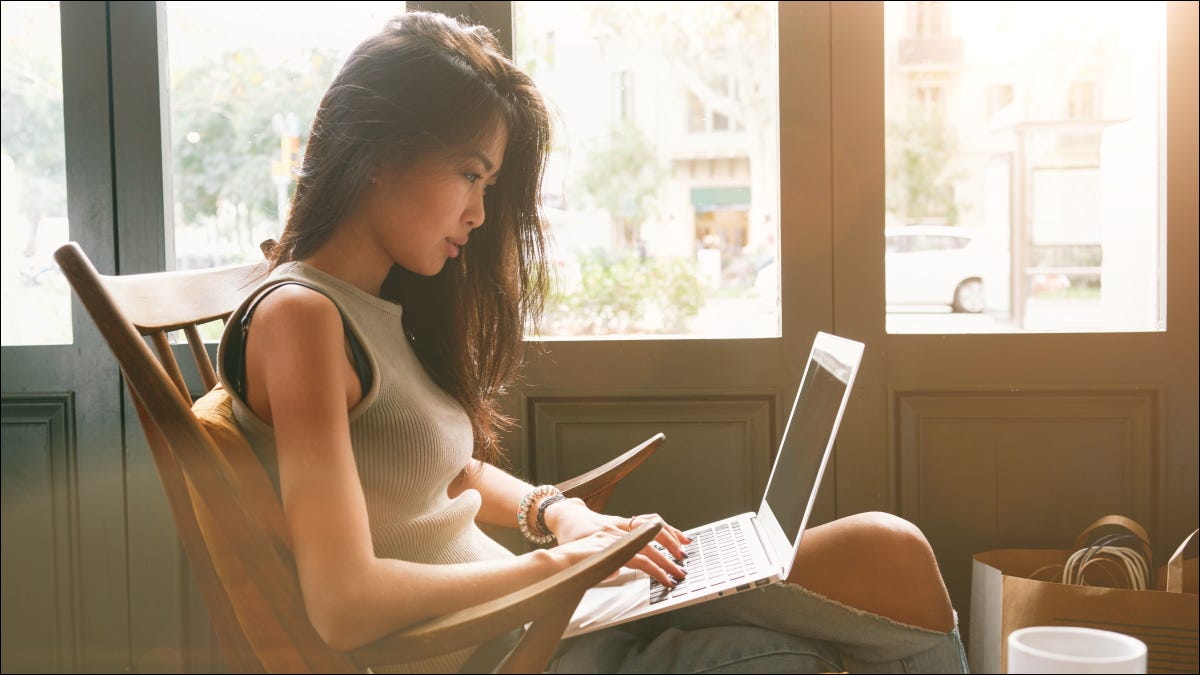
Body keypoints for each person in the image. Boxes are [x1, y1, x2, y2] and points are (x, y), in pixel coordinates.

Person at [215, 11, 968, 674]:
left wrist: (560, 517)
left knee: (886, 548)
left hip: (552, 614)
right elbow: (345, 604)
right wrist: (564, 568)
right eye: (470, 175)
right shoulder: (301, 319)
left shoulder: (370, 306)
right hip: (521, 644)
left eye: (489, 184)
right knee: (835, 640)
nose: (479, 213)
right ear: (379, 151)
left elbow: (441, 471)